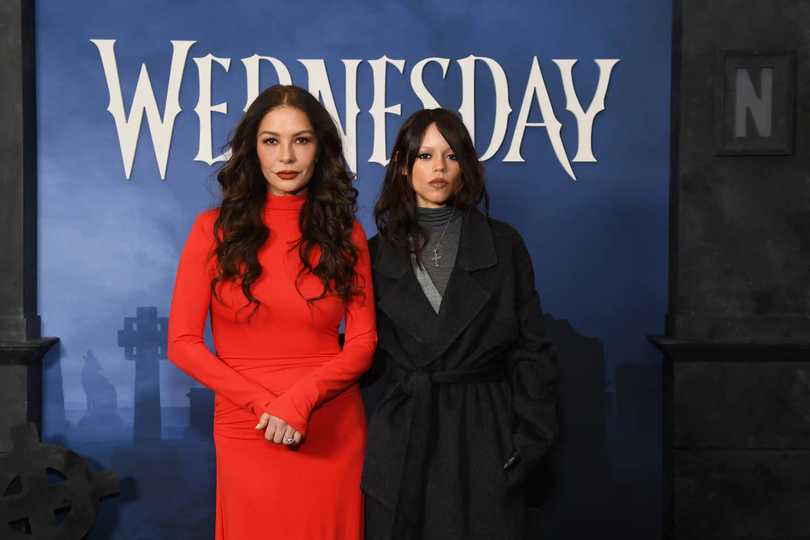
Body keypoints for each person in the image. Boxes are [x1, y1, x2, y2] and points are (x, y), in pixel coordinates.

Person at [167, 84, 377, 540]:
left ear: (320, 150)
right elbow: (182, 344)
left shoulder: (347, 233)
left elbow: (363, 344)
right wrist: (268, 407)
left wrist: (300, 402)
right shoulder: (211, 231)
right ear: (252, 149)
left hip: (331, 425)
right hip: (248, 427)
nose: (286, 155)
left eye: (301, 140)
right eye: (271, 140)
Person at [361, 108, 558, 540]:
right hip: (404, 432)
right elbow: (362, 354)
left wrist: (530, 441)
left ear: (465, 165)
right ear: (402, 165)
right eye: (425, 155)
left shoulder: (504, 244)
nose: (438, 168)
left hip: (484, 433)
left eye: (450, 155)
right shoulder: (372, 254)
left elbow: (531, 349)